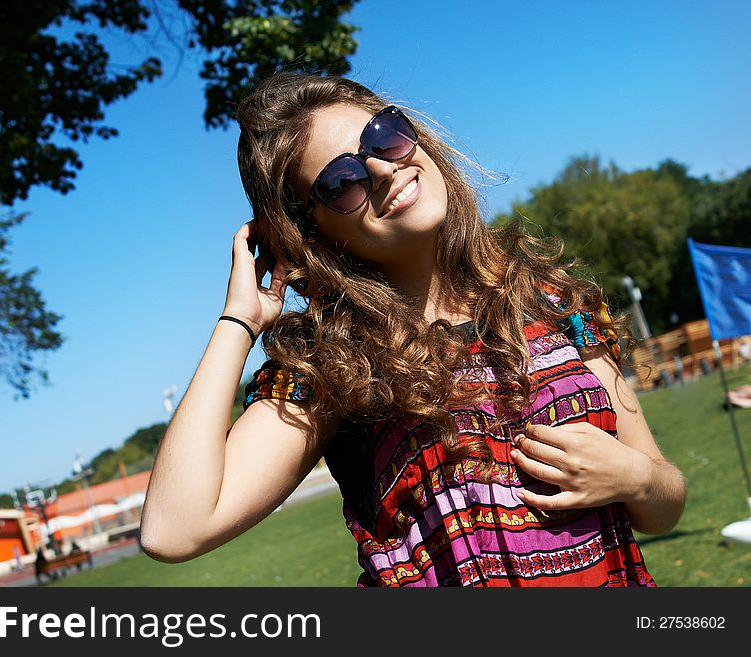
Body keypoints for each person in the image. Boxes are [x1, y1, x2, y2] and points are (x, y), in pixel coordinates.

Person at [140, 71, 687, 587]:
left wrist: (636, 478)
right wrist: (239, 321)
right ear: (314, 233)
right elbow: (174, 527)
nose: (381, 168)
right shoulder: (340, 363)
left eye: (385, 135)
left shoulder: (554, 301)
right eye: (341, 179)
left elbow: (665, 500)